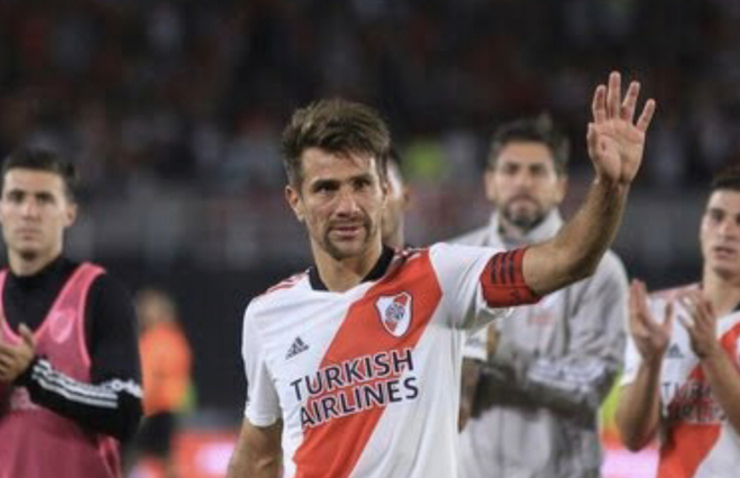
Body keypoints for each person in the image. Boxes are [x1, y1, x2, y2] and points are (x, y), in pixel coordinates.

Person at [227, 71, 656, 478]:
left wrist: (611, 186)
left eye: (361, 184)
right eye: (326, 188)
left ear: (384, 192)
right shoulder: (268, 317)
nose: (347, 206)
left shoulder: (442, 277)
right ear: (295, 201)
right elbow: (259, 456)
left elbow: (567, 259)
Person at [454, 115, 628, 478]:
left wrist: (501, 352)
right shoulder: (455, 262)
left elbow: (590, 384)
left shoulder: (599, 270)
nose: (522, 181)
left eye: (537, 172)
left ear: (561, 186)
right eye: (511, 169)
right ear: (489, 182)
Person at [0, 147, 142, 478]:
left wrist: (34, 376)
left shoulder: (100, 294)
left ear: (70, 213)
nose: (29, 211)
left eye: (45, 199)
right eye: (16, 197)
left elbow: (125, 411)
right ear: (1, 209)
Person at [614, 166, 740, 478]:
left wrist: (710, 352)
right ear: (701, 226)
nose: (726, 230)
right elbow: (632, 437)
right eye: (716, 216)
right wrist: (651, 360)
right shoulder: (660, 313)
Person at [134, 287, 194, 478]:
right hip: (166, 407)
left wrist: (141, 408)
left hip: (157, 410)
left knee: (131, 455)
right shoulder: (173, 338)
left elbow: (151, 378)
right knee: (165, 459)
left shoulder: (159, 340)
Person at [380, 149, 410, 249]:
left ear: (406, 197)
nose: (375, 199)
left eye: (384, 188)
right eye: (362, 187)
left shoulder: (439, 263)